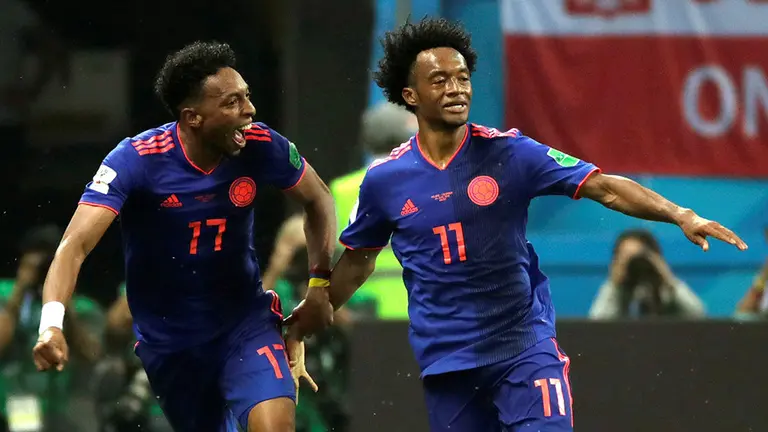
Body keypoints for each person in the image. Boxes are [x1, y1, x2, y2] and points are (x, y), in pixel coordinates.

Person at [285, 18, 748, 432]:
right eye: (440, 80)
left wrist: (682, 215)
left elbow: (603, 186)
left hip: (523, 348)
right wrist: (303, 324)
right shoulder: (385, 181)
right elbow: (360, 262)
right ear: (411, 96)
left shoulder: (510, 153)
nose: (456, 89)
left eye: (463, 78)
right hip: (447, 362)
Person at [32, 41, 337, 432]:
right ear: (193, 117)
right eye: (232, 103)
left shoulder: (260, 144)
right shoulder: (136, 159)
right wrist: (51, 324)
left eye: (247, 97)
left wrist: (318, 286)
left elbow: (319, 199)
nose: (250, 111)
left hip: (243, 324)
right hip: (170, 343)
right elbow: (74, 246)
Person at [589, 228, 706, 319]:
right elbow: (597, 324)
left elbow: (698, 314)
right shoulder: (617, 291)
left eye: (637, 256)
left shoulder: (665, 290)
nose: (633, 263)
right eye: (626, 257)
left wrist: (668, 279)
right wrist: (615, 285)